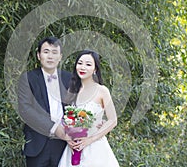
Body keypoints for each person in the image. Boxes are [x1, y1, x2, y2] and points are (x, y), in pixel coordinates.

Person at [58, 50, 120, 167]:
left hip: (95, 147)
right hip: (73, 147)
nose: (83, 67)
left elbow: (113, 120)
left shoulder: (102, 91)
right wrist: (68, 138)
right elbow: (64, 119)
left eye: (88, 64)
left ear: (95, 69)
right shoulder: (72, 91)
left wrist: (90, 139)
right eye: (80, 63)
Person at [17, 36, 72, 167]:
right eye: (46, 52)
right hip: (37, 142)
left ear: (60, 57)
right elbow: (25, 109)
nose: (50, 56)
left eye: (54, 52)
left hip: (64, 143)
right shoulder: (27, 78)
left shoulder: (69, 78)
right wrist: (53, 127)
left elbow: (77, 107)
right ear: (38, 55)